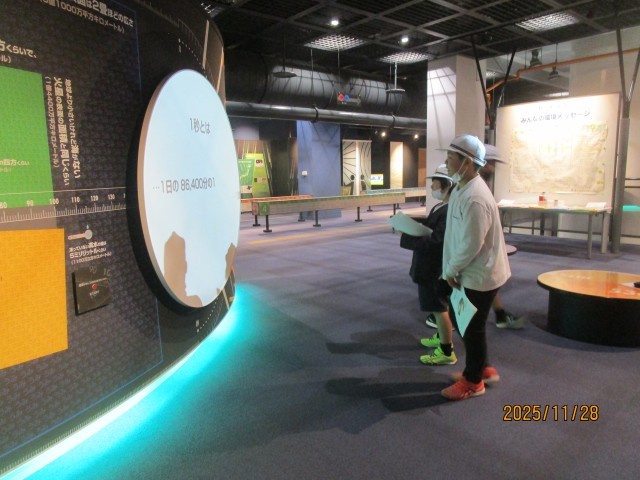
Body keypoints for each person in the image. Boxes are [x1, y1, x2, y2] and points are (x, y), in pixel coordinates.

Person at [439, 134, 511, 400]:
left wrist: (450, 271)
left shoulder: (476, 197)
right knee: (465, 323)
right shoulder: (463, 187)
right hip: (470, 271)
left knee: (471, 326)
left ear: (467, 162)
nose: (446, 161)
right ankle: (483, 369)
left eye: (451, 157)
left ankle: (473, 382)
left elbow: (472, 244)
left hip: (480, 274)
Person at [399, 164, 456, 365]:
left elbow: (436, 241)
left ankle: (446, 351)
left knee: (438, 307)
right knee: (437, 306)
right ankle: (441, 338)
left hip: (434, 268)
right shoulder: (441, 206)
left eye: (435, 183)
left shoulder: (449, 210)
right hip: (429, 266)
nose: (432, 186)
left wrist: (408, 237)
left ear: (447, 185)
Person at [482, 144, 526, 330]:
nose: (492, 168)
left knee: (489, 281)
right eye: (489, 163)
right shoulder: (473, 188)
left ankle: (500, 314)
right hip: (475, 248)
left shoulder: (481, 185)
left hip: (484, 246)